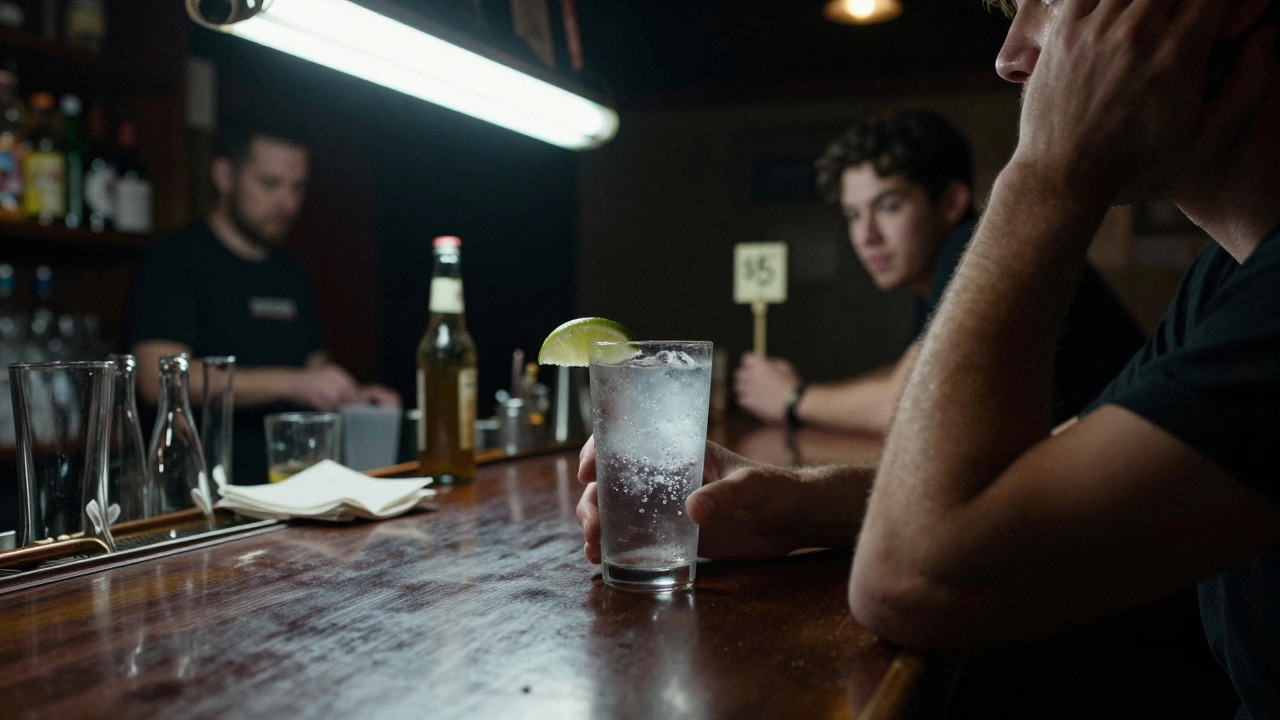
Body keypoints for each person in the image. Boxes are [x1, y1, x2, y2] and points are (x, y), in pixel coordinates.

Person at [578, 0, 1280, 715]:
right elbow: (1054, 464)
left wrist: (1045, 171)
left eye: (1047, 2)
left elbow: (911, 579)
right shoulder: (1227, 279)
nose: (1011, 56)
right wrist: (795, 505)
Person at [735, 110, 1145, 433]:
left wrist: (794, 399)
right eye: (853, 214)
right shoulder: (943, 266)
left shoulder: (973, 249)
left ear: (950, 203)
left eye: (889, 206)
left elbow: (910, 401)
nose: (866, 236)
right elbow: (905, 374)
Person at [126, 112, 399, 485]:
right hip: (202, 494)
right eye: (270, 184)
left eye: (297, 188)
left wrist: (354, 398)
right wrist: (292, 383)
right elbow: (156, 378)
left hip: (293, 487)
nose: (286, 204)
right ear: (224, 176)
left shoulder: (293, 272)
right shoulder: (174, 261)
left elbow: (314, 370)